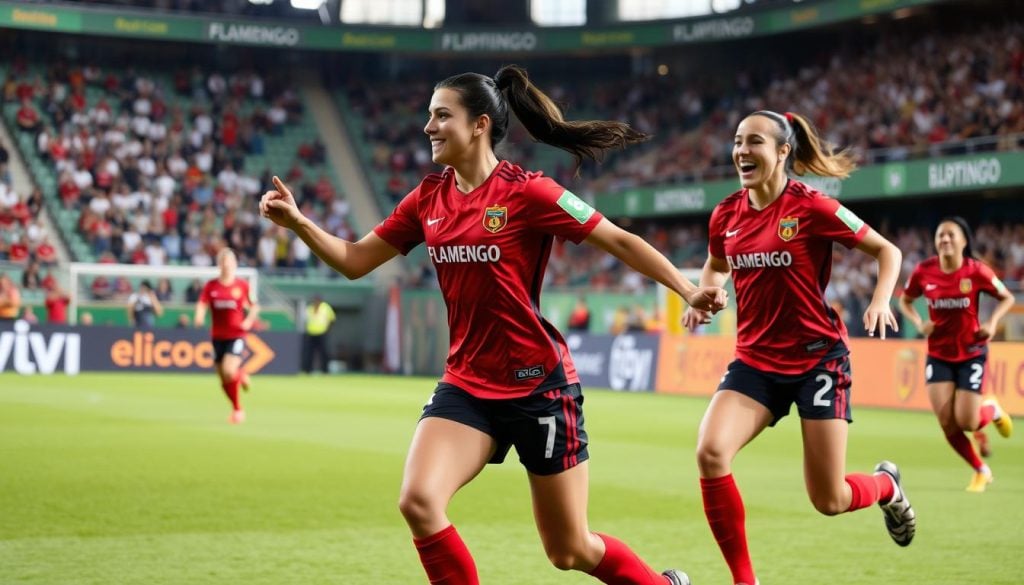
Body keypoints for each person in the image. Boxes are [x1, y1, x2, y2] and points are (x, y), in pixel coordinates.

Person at [260, 65, 728, 585]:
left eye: (442, 115)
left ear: (480, 124)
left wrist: (687, 289)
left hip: (539, 389)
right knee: (418, 501)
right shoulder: (427, 198)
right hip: (467, 384)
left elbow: (617, 239)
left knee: (569, 550)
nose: (428, 126)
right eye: (428, 115)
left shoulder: (529, 192)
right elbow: (354, 260)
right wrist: (300, 224)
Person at [683, 110, 916, 585]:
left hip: (817, 360)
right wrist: (703, 295)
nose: (741, 151)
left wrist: (879, 299)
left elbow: (886, 251)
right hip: (754, 362)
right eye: (736, 142)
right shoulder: (726, 213)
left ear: (783, 151)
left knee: (828, 499)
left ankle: (887, 486)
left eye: (754, 143)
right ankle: (745, 581)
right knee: (710, 452)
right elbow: (714, 265)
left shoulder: (812, 207)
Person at [897, 217, 1015, 492]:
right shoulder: (923, 271)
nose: (945, 240)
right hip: (938, 355)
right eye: (940, 236)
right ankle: (981, 470)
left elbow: (1007, 297)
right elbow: (905, 301)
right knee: (947, 422)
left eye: (951, 235)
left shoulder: (977, 272)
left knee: (968, 421)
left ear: (964, 241)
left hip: (971, 352)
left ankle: (992, 409)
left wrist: (992, 323)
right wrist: (919, 323)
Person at [194, 248, 260, 424]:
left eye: (229, 263)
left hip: (236, 335)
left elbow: (254, 306)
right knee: (223, 377)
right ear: (219, 265)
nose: (226, 266)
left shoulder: (242, 286)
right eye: (223, 263)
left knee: (228, 371)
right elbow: (202, 303)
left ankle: (238, 410)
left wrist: (248, 322)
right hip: (217, 336)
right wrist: (199, 316)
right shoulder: (211, 286)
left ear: (235, 265)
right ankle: (239, 385)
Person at [303, 293, 335, 374]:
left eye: (317, 300)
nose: (316, 301)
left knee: (324, 352)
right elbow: (305, 320)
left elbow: (332, 319)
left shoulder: (326, 308)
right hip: (311, 333)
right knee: (309, 353)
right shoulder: (309, 308)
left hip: (322, 333)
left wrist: (327, 329)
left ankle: (325, 370)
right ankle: (308, 370)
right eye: (315, 300)